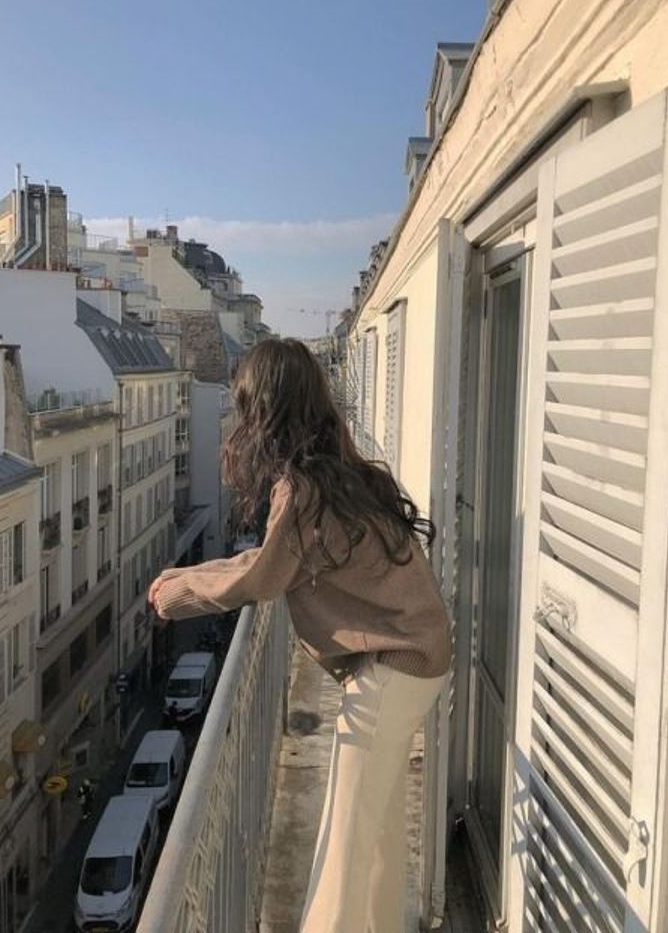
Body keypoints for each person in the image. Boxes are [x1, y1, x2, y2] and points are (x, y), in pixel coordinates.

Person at [149, 338, 450, 933]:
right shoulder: (335, 472)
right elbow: (272, 560)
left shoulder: (303, 487)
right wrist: (188, 575)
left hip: (395, 667)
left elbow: (262, 577)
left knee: (345, 843)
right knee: (376, 834)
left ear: (265, 408)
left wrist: (175, 594)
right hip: (417, 659)